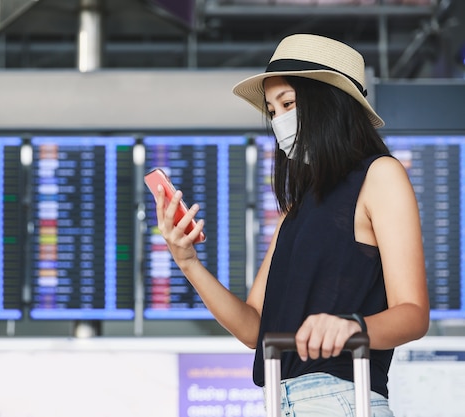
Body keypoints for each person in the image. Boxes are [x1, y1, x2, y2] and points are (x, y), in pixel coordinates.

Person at [153, 33, 429, 416]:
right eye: (271, 110)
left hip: (341, 399)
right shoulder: (297, 207)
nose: (279, 120)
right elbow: (253, 328)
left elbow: (413, 313)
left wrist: (353, 327)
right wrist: (187, 261)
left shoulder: (380, 176)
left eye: (289, 103)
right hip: (277, 402)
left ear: (330, 104)